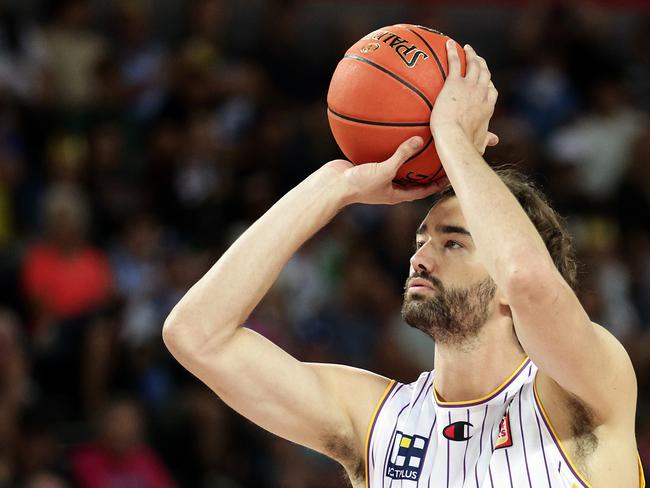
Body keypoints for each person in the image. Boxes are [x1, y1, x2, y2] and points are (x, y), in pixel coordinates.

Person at [163, 40, 645, 487]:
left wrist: (451, 138)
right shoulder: (376, 421)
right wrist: (334, 186)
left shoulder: (583, 391)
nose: (419, 256)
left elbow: (529, 280)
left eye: (452, 242)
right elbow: (197, 336)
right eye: (422, 239)